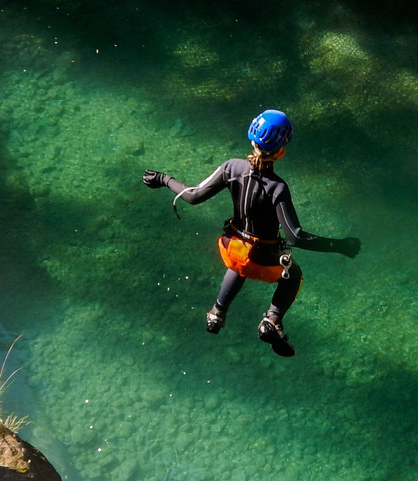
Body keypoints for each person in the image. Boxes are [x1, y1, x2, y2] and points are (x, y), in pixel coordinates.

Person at [142, 109, 361, 357]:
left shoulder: (231, 168)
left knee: (238, 264)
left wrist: (163, 178)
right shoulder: (277, 188)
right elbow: (296, 236)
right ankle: (272, 321)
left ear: (252, 140)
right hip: (261, 261)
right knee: (294, 275)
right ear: (281, 151)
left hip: (231, 248)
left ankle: (217, 312)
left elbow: (192, 196)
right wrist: (340, 246)